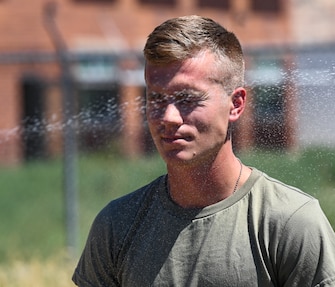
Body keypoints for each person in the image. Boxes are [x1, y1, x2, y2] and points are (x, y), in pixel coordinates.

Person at [72, 15, 335, 286]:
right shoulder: (117, 226)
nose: (169, 117)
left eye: (187, 99)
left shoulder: (290, 223)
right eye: (156, 98)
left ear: (236, 104)